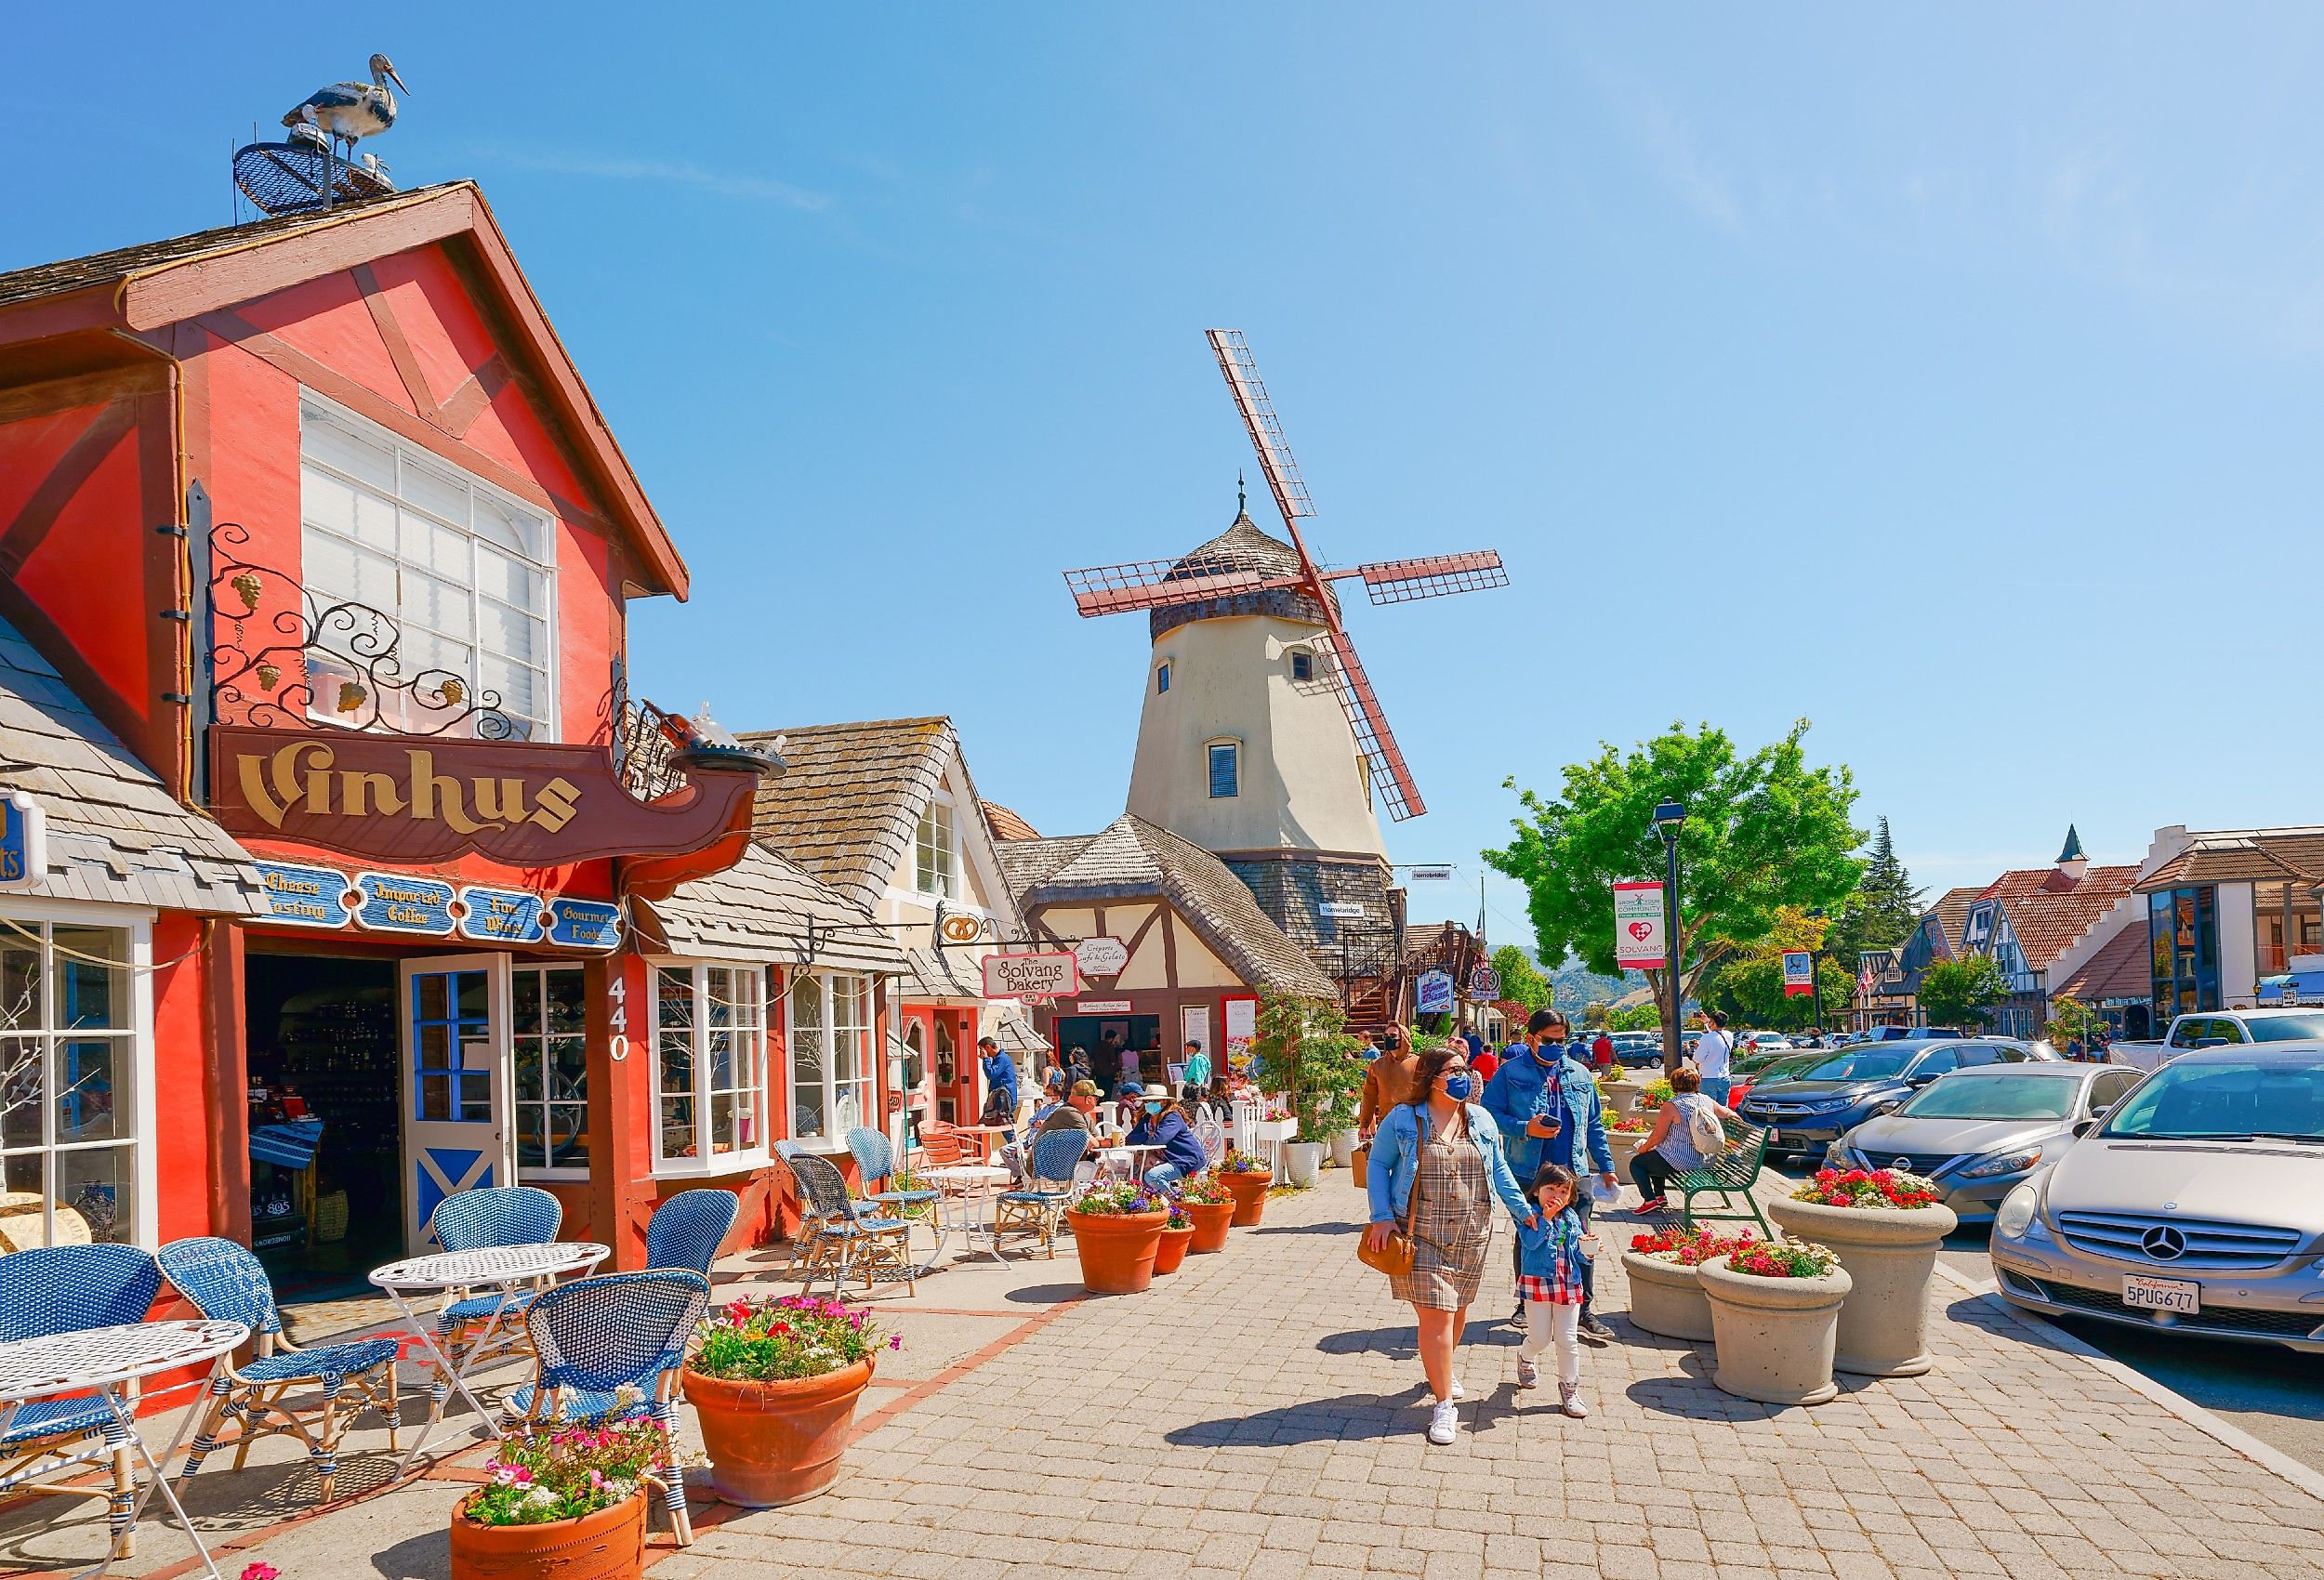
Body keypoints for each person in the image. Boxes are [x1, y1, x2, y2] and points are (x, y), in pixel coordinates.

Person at [1362, 1045, 1532, 1446]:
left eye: (1466, 1068)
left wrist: (1524, 1211)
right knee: (1437, 1315)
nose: (1464, 1075)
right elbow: (1377, 1164)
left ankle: (1442, 1367)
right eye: (1454, 1069)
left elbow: (1500, 1169)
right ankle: (1443, 1405)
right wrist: (1381, 1215)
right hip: (1420, 1233)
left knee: (1458, 1312)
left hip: (1473, 1232)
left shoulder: (1482, 1119)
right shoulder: (1405, 1118)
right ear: (1432, 1076)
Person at [1480, 1009, 1616, 1341]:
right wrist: (1525, 1128)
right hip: (1528, 1174)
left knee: (1581, 1239)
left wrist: (1608, 1166)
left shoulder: (1581, 1074)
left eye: (1561, 1040)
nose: (1557, 1046)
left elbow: (1594, 1124)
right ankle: (1527, 1305)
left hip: (1574, 1174)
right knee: (1530, 1237)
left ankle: (1584, 1311)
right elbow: (1489, 1114)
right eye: (1549, 1040)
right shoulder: (1510, 1072)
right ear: (1532, 1039)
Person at [1512, 1163, 1596, 1417]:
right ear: (1537, 1191)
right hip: (1538, 1283)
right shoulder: (1529, 1216)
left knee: (1567, 1339)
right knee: (1540, 1338)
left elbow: (1576, 1253)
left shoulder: (1572, 1218)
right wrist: (1546, 1219)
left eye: (1563, 1191)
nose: (1556, 1196)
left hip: (1568, 1283)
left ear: (1571, 1196)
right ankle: (1525, 1358)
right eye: (1550, 1189)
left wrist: (1589, 1252)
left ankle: (1570, 1389)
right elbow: (1529, 1242)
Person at [1629, 1065, 1743, 1214]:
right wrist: (1741, 1125)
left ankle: (1650, 1200)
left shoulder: (1672, 1105)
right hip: (1705, 1160)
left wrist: (1642, 1149)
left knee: (1638, 1163)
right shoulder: (1706, 1100)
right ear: (1696, 1083)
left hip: (1681, 1161)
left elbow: (1658, 1136)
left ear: (1674, 1084)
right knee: (1655, 1154)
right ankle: (1660, 1196)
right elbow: (1727, 1113)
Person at [1125, 1088, 1208, 1191]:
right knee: (1139, 1174)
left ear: (1164, 1102)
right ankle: (1155, 1203)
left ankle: (1174, 1201)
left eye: (1154, 1101)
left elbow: (1159, 1139)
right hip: (1166, 1159)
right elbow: (1130, 1139)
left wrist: (1146, 1137)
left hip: (1184, 1159)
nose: (1149, 1104)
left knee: (1152, 1176)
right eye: (1147, 1101)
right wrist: (1148, 1135)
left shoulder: (1172, 1117)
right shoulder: (1147, 1118)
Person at [1355, 1024, 1422, 1138]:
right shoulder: (1377, 1065)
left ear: (1403, 1039)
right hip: (1386, 1124)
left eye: (1393, 1035)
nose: (1388, 1038)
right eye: (1385, 1035)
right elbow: (1369, 1096)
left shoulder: (1418, 1063)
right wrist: (1364, 1125)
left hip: (1412, 1125)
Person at [977, 1036, 1021, 1127]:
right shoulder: (997, 1059)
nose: (981, 1052)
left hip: (1005, 1098)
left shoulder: (1002, 1058)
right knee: (991, 1122)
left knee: (1005, 1125)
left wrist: (986, 1060)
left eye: (981, 1049)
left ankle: (1015, 1141)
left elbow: (991, 1074)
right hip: (999, 1098)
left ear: (988, 1047)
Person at [1692, 1009, 1734, 1102]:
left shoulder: (1706, 1038)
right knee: (1722, 1109)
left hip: (1709, 1078)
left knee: (1708, 1109)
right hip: (1725, 1077)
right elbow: (1717, 1036)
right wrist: (1706, 1022)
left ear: (1713, 1023)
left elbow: (1697, 1058)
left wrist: (1698, 1049)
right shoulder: (1729, 1035)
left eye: (1710, 1021)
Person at [1180, 1039, 1212, 1106]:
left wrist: (1197, 1091)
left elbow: (1198, 1076)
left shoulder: (1198, 1059)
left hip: (1194, 1090)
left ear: (1192, 1048)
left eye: (1188, 1048)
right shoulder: (1196, 1059)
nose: (1187, 1050)